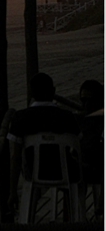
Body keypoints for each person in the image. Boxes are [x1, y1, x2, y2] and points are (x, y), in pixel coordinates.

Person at [7, 72, 82, 218]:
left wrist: (12, 192)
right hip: (64, 172)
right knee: (71, 168)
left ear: (31, 92)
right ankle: (70, 221)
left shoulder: (20, 117)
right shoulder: (67, 116)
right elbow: (79, 145)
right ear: (53, 91)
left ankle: (28, 222)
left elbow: (15, 158)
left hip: (33, 172)